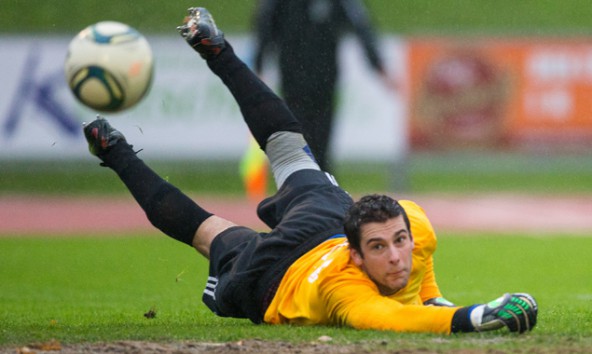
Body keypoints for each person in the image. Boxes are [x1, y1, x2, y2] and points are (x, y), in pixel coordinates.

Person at [82, 7, 537, 334]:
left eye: (399, 241)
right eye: (379, 248)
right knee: (211, 224)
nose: (398, 256)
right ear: (357, 256)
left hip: (324, 220)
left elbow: (415, 275)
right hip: (274, 276)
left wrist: (434, 297)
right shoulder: (346, 292)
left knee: (265, 172)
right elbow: (396, 318)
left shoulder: (413, 226)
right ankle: (209, 56)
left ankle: (114, 148)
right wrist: (477, 316)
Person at [252, 0, 397, 173]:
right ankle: (301, 183)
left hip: (325, 79)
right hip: (293, 79)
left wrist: (379, 67)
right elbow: (264, 26)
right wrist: (259, 66)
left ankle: (323, 181)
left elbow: (361, 26)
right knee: (298, 135)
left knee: (322, 138)